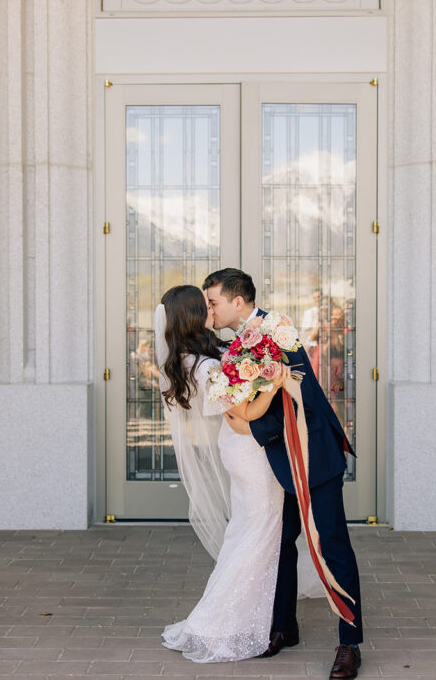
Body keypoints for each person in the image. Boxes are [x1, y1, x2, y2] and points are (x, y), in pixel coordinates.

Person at [204, 268, 364, 680]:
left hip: (313, 456)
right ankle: (282, 627)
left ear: (237, 302)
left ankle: (350, 642)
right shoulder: (238, 345)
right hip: (278, 463)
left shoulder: (278, 330)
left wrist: (249, 426)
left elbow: (301, 395)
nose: (210, 310)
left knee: (332, 546)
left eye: (213, 302)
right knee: (281, 544)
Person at [155, 284, 289, 662]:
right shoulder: (208, 366)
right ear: (195, 315)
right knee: (258, 534)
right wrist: (273, 385)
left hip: (240, 452)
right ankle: (222, 622)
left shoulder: (195, 358)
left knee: (246, 532)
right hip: (249, 451)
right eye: (207, 305)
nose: (213, 310)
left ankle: (244, 613)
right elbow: (244, 416)